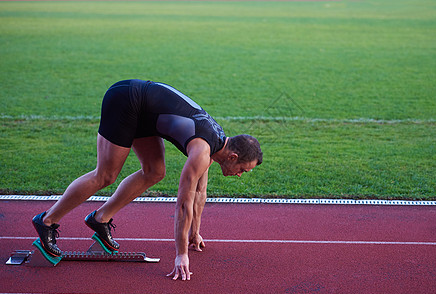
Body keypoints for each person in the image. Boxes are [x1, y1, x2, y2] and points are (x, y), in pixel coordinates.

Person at [31, 79, 263, 281]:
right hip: (127, 100)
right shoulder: (203, 151)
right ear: (233, 157)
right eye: (243, 169)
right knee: (106, 175)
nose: (241, 174)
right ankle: (47, 221)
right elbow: (183, 204)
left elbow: (200, 193)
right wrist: (181, 254)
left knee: (154, 171)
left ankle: (100, 218)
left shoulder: (217, 143)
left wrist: (195, 233)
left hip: (145, 111)